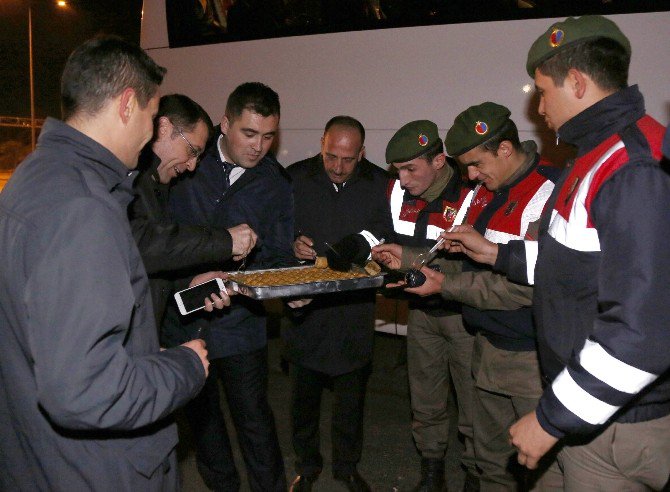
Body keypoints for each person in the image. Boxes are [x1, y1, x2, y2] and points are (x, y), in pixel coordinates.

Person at [441, 15, 670, 491]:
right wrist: (500, 255)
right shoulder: (594, 156)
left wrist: (551, 416)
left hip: (617, 422)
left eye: (542, 92)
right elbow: (581, 267)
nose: (538, 108)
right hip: (599, 412)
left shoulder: (632, 167)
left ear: (578, 83)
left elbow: (643, 329)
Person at [0, 36, 209, 490]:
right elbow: (83, 389)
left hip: (40, 457)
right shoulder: (84, 208)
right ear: (127, 104)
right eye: (154, 118)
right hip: (96, 470)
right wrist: (183, 367)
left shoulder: (34, 175)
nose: (153, 134)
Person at [166, 82, 294, 491]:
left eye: (269, 136)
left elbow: (276, 256)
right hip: (184, 321)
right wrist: (187, 281)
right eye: (249, 133)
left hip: (241, 326)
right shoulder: (187, 163)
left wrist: (259, 277)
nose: (259, 146)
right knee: (203, 423)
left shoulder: (275, 182)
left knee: (254, 419)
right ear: (225, 124)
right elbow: (156, 238)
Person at [284, 116, 394, 492]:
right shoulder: (296, 178)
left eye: (348, 159)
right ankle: (306, 465)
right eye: (331, 156)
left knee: (351, 400)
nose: (338, 166)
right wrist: (292, 242)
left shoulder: (379, 184)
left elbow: (387, 233)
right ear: (322, 144)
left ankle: (347, 467)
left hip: (353, 309)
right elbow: (275, 227)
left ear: (361, 153)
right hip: (304, 307)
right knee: (303, 399)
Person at [371, 120, 480, 492]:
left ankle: (475, 475)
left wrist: (409, 260)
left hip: (465, 317)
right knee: (426, 400)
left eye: (410, 169)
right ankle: (432, 473)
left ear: (438, 161)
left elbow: (475, 262)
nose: (402, 180)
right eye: (397, 170)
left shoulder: (472, 194)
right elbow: (378, 232)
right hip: (421, 315)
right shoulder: (397, 193)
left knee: (473, 403)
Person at [129, 93, 258, 329]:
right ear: (164, 127)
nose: (191, 166)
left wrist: (189, 283)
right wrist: (225, 241)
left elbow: (152, 262)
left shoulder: (158, 184)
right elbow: (140, 243)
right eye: (192, 151)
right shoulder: (130, 177)